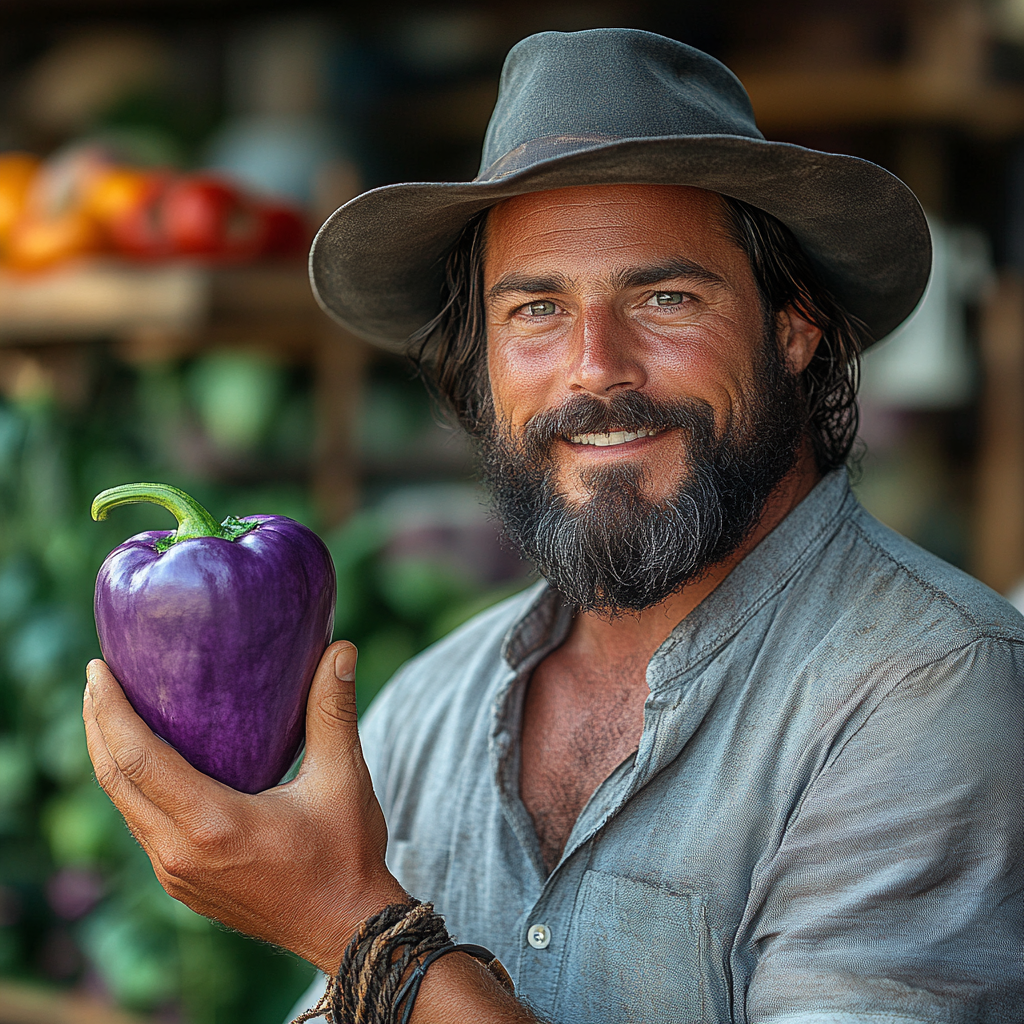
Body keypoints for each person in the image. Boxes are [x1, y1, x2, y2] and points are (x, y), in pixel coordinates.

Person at [83, 28, 1023, 1024]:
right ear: (480, 359)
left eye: (664, 296)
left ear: (792, 326)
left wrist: (356, 928)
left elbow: (355, 945)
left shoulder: (937, 690)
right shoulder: (426, 710)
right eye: (535, 308)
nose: (594, 366)